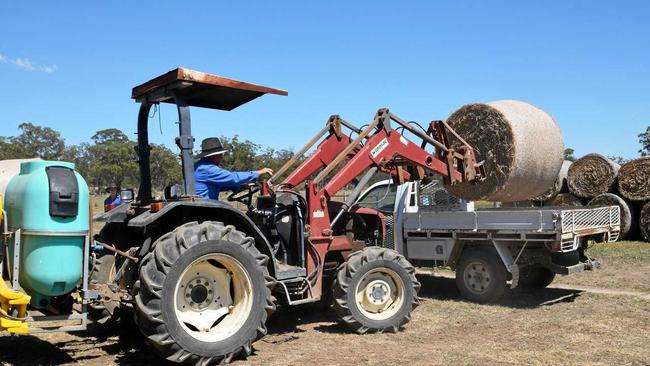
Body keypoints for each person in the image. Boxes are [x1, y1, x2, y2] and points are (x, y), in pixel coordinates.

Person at [194, 137, 274, 200]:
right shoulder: (207, 169)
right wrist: (259, 172)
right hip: (206, 206)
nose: (222, 157)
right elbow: (233, 177)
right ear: (213, 156)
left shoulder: (199, 166)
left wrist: (237, 187)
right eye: (220, 155)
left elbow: (218, 186)